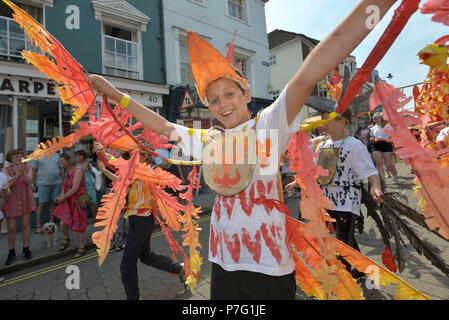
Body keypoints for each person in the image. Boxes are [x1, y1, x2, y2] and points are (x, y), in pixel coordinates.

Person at [88, 0, 396, 300]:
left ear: (246, 92)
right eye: (214, 100)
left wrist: (376, 6)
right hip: (223, 261)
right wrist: (115, 93)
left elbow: (311, 70)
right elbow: (164, 127)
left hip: (269, 265)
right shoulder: (209, 140)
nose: (223, 104)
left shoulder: (267, 126)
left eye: (229, 93)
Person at [97, 142, 186, 300]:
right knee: (146, 256)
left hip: (143, 221)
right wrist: (104, 169)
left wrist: (105, 155)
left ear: (145, 156)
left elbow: (123, 167)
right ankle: (179, 268)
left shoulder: (149, 172)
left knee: (126, 266)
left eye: (135, 154)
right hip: (136, 220)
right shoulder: (136, 171)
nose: (132, 157)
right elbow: (123, 180)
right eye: (131, 155)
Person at [317, 109, 383, 274]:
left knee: (341, 240)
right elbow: (318, 172)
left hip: (347, 199)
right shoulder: (323, 145)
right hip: (327, 198)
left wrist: (375, 186)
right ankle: (363, 268)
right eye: (321, 120)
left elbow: (371, 173)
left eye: (326, 120)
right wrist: (297, 182)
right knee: (345, 238)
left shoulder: (354, 145)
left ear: (341, 121)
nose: (322, 125)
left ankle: (343, 277)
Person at [1, 149, 36, 265]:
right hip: (11, 199)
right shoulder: (5, 170)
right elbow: (7, 185)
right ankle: (11, 252)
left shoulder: (28, 168)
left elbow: (29, 181)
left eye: (21, 156)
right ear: (10, 158)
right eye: (16, 157)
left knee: (26, 225)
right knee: (11, 228)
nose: (19, 159)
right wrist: (18, 175)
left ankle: (26, 248)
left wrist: (23, 173)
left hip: (25, 198)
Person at [52, 151, 88, 258]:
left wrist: (62, 197)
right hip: (68, 200)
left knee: (79, 224)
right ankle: (66, 238)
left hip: (77, 201)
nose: (61, 163)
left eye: (62, 161)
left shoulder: (78, 170)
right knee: (63, 223)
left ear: (69, 160)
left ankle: (81, 246)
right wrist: (61, 195)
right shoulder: (68, 170)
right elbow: (64, 186)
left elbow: (75, 188)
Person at [30, 138, 64, 234]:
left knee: (53, 203)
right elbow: (33, 171)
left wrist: (64, 181)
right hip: (42, 184)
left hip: (56, 183)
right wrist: (33, 184)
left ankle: (51, 223)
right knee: (42, 205)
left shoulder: (57, 155)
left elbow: (61, 169)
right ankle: (38, 226)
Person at [370, 112, 398, 183]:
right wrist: (372, 139)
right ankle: (383, 182)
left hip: (386, 144)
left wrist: (394, 147)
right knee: (379, 164)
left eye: (376, 119)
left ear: (381, 118)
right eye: (374, 119)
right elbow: (372, 137)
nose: (375, 120)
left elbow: (393, 137)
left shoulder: (388, 126)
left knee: (388, 165)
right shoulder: (373, 128)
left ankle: (395, 175)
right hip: (376, 145)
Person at [75, 150, 98, 220]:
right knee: (82, 203)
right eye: (77, 155)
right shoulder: (75, 165)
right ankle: (83, 220)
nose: (78, 157)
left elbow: (93, 173)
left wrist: (96, 183)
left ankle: (95, 218)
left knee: (94, 203)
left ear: (83, 156)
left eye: (79, 155)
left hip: (89, 185)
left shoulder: (87, 163)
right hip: (80, 186)